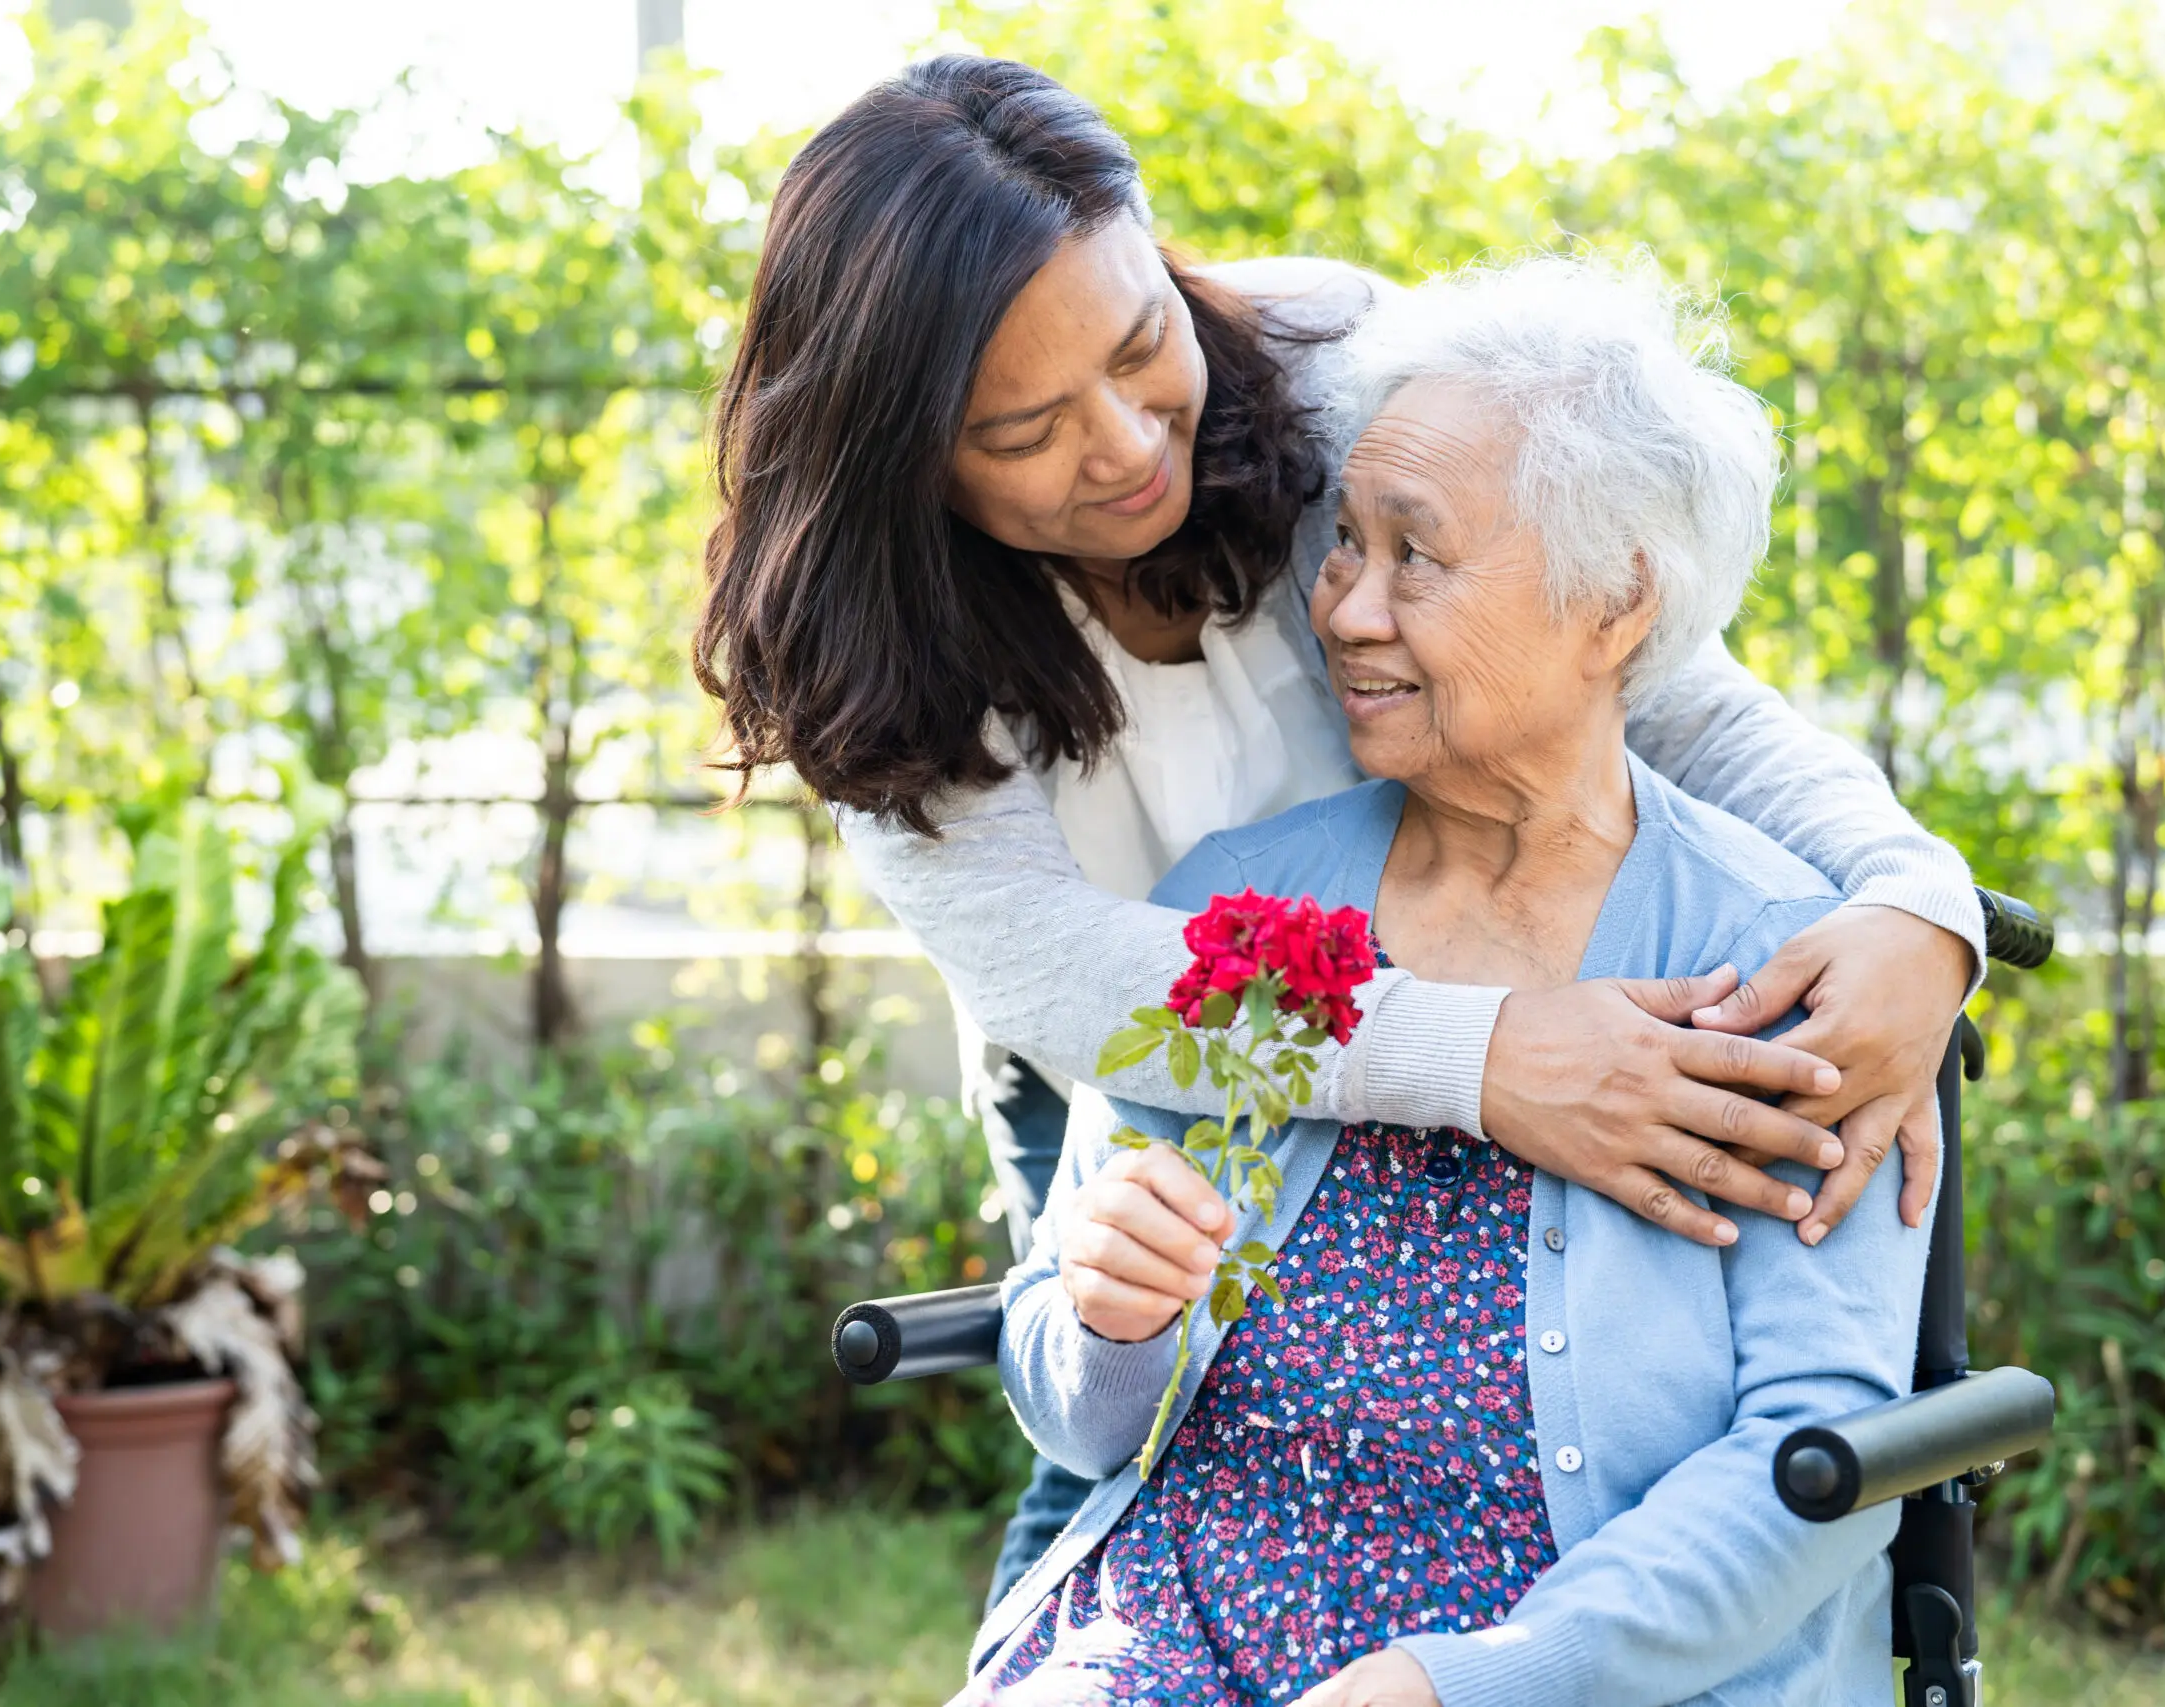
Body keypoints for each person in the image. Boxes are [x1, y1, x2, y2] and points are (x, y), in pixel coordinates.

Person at [693, 56, 1978, 1606]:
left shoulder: (1322, 358)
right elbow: (1077, 975)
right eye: (1026, 427)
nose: (1122, 445)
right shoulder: (862, 653)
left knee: (1512, 1467)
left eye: (1140, 342)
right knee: (1142, 1477)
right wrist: (1491, 1059)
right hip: (1150, 1079)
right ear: (903, 458)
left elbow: (1663, 684)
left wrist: (1919, 904)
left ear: (1162, 254)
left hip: (1523, 957)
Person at [974, 256, 1930, 1707]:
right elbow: (1078, 1411)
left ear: (1615, 603)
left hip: (1569, 1663)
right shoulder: (1248, 908)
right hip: (1181, 1629)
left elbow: (1810, 1452)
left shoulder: (1770, 963)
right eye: (1343, 544)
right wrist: (1111, 1317)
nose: (1344, 608)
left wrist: (1469, 1681)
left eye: (1415, 554)